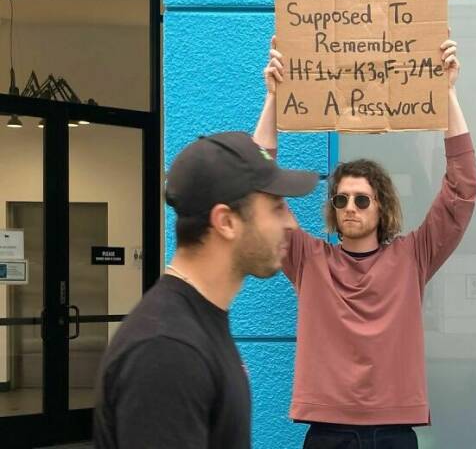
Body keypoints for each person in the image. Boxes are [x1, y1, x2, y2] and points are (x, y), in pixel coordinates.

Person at [253, 35, 476, 448]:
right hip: (327, 430)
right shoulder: (308, 258)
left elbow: (462, 191)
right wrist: (272, 99)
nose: (351, 207)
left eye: (362, 199)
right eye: (341, 199)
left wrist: (447, 94)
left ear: (381, 207)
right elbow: (256, 191)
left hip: (394, 429)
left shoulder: (413, 256)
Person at [93, 132, 319, 449]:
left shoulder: (196, 321)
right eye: (278, 207)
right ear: (226, 222)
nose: (292, 224)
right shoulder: (166, 351)